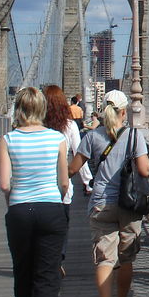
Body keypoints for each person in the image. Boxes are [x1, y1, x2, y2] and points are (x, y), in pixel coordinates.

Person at [69, 90, 149, 297]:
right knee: (125, 259)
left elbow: (73, 169)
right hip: (128, 205)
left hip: (101, 203)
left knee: (105, 259)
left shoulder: (92, 137)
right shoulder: (135, 136)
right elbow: (145, 170)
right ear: (124, 112)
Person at [0, 87, 68, 297]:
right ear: (42, 109)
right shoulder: (57, 138)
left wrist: (15, 201)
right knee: (47, 273)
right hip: (51, 208)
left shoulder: (8, 139)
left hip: (19, 210)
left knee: (23, 268)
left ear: (18, 108)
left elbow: (4, 184)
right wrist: (56, 200)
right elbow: (64, 181)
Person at [42, 85, 92, 274]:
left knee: (42, 231)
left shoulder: (37, 126)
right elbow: (80, 155)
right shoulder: (70, 126)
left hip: (38, 188)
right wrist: (88, 182)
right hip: (62, 187)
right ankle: (57, 260)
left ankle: (45, 261)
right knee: (60, 229)